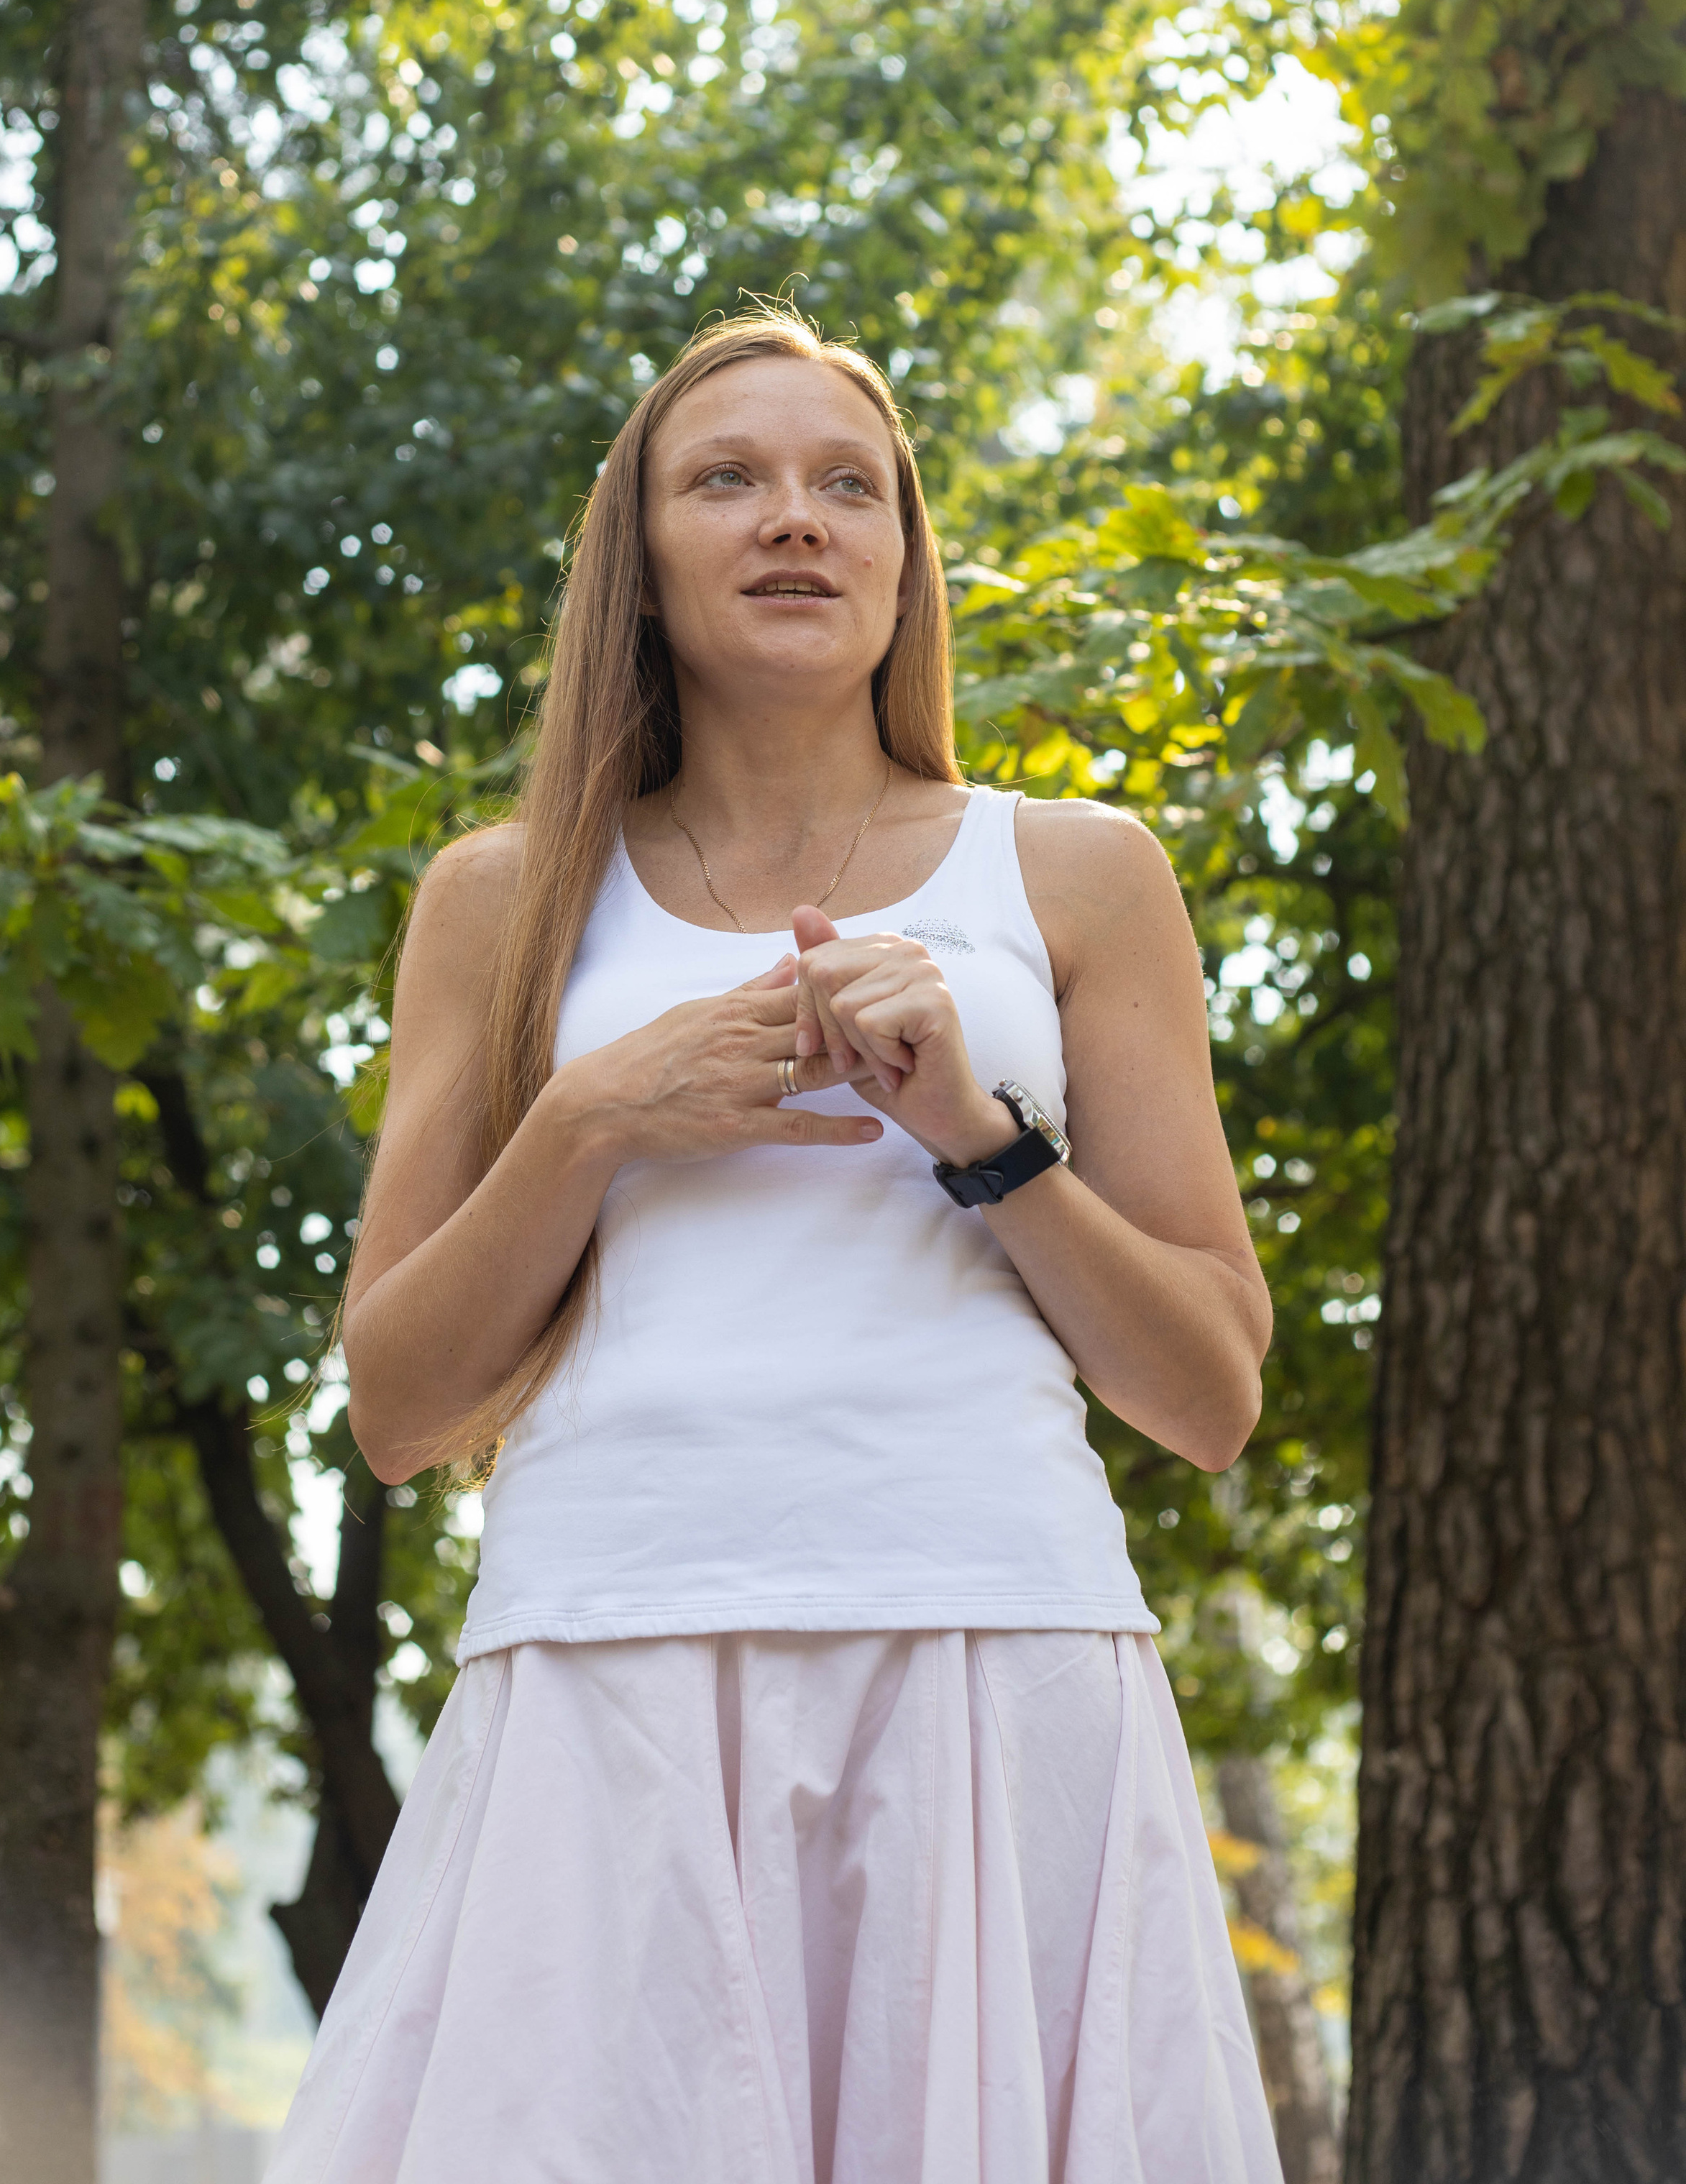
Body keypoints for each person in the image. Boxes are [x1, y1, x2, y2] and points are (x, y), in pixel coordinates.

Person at [269, 309, 1284, 2184]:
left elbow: (1209, 1394)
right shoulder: (502, 902)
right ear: (640, 563)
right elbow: (401, 1408)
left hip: (995, 1657)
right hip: (610, 1665)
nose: (795, 521)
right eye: (727, 479)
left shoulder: (1076, 873)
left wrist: (980, 1137)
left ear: (905, 555)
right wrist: (592, 1118)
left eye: (847, 485)